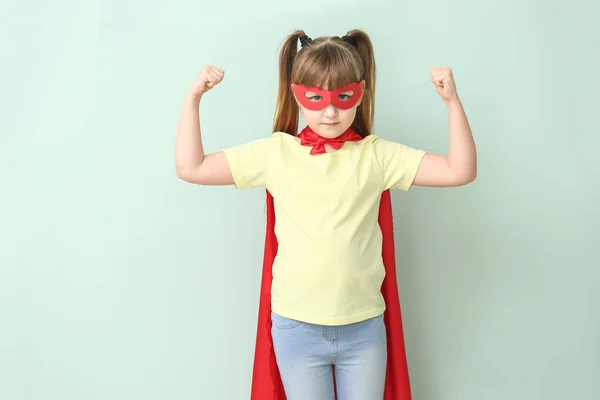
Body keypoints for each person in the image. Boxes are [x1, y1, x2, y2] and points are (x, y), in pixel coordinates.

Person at [175, 29, 476, 400]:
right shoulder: (275, 154)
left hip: (363, 328)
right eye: (315, 98)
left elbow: (459, 171)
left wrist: (452, 103)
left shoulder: (377, 156)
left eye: (343, 97)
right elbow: (192, 167)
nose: (330, 111)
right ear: (295, 94)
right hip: (296, 328)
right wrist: (193, 99)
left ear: (361, 92)